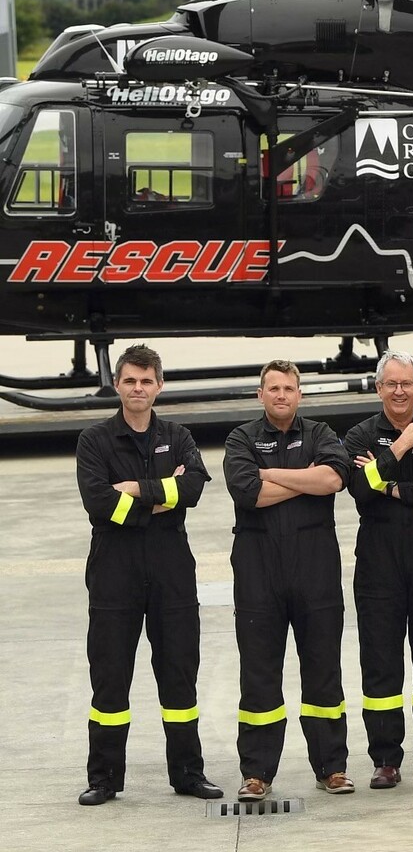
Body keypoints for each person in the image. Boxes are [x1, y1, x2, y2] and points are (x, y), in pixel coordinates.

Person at [75, 344, 221, 805]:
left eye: (147, 380)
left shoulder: (177, 435)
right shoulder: (94, 440)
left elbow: (194, 488)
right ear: (117, 384)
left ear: (159, 386)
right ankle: (103, 778)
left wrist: (136, 489)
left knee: (179, 672)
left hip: (171, 567)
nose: (138, 388)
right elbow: (99, 502)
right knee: (110, 674)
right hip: (113, 570)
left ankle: (187, 774)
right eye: (130, 380)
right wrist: (162, 496)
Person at [224, 361, 353, 799]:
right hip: (259, 571)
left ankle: (331, 767)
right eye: (273, 388)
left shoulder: (320, 433)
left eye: (289, 388)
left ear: (300, 394)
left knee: (323, 672)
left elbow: (334, 477)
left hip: (315, 570)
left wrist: (270, 473)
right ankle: (257, 772)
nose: (281, 395)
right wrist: (305, 480)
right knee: (259, 674)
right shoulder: (241, 438)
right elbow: (247, 492)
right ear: (261, 394)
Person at [341, 352, 413, 789]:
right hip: (378, 561)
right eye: (390, 384)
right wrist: (400, 447)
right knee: (381, 663)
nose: (399, 391)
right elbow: (358, 491)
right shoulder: (359, 434)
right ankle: (385, 759)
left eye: (407, 383)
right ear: (378, 389)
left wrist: (386, 481)